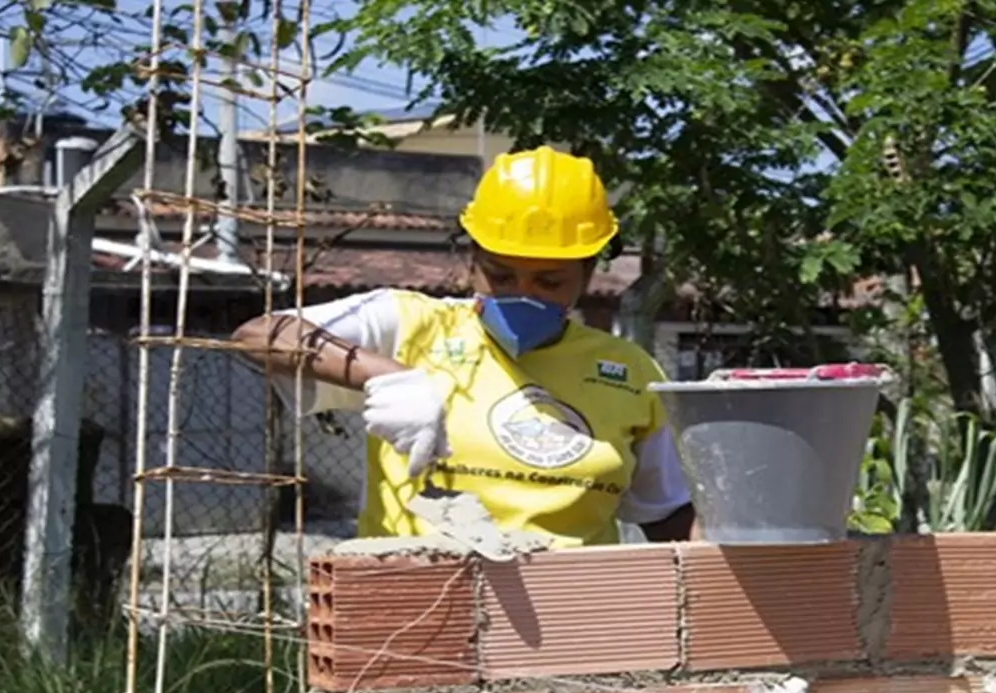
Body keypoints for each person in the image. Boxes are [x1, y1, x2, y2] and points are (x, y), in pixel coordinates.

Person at [232, 146, 698, 548]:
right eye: (501, 275)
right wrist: (385, 375)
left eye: (549, 281)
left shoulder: (628, 370)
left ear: (589, 273)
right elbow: (260, 335)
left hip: (570, 605)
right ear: (473, 261)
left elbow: (666, 513)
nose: (522, 293)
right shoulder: (411, 326)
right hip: (421, 600)